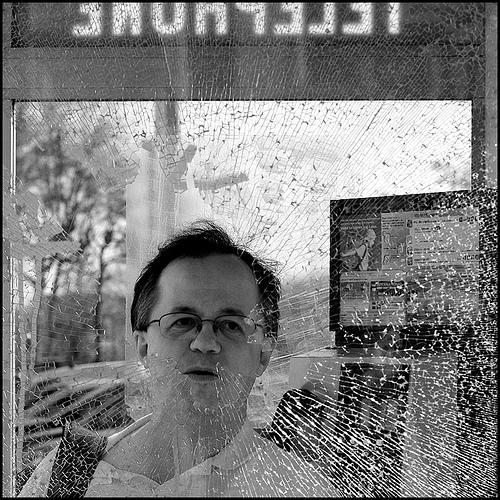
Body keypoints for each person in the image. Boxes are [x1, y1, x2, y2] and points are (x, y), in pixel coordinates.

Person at [18, 219, 336, 497]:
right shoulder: (64, 474)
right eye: (182, 321)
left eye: (231, 325)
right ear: (143, 346)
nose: (205, 343)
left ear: (263, 353)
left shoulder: (300, 488)